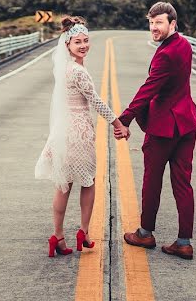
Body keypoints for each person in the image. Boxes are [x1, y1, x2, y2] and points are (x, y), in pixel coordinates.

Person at [118, 2, 196, 260]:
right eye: (151, 22)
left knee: (152, 181)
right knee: (183, 183)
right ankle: (184, 241)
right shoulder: (184, 45)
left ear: (172, 24)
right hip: (186, 123)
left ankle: (145, 234)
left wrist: (126, 118)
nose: (154, 28)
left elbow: (150, 87)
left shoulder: (165, 54)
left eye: (159, 23)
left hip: (164, 126)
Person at [35, 16, 129, 257]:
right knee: (89, 181)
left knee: (63, 183)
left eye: (86, 40)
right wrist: (118, 123)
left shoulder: (64, 69)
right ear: (67, 44)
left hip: (61, 130)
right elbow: (96, 101)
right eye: (78, 42)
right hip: (78, 132)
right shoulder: (78, 72)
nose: (84, 45)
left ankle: (57, 236)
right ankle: (84, 232)